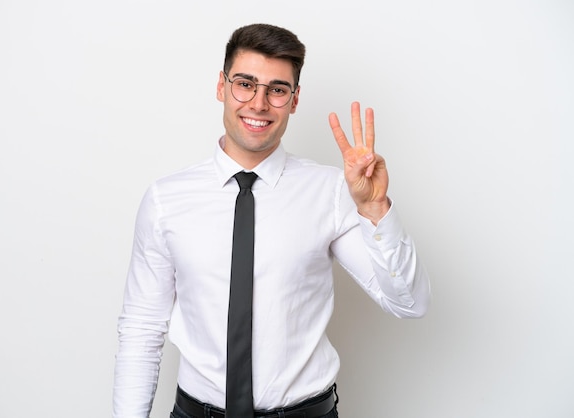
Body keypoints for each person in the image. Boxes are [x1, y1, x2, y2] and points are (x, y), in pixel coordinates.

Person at [113, 23, 430, 418]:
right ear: (221, 87)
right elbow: (142, 329)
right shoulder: (165, 199)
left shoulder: (331, 191)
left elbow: (409, 303)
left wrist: (375, 209)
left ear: (294, 101)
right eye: (245, 83)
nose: (259, 103)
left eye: (277, 90)